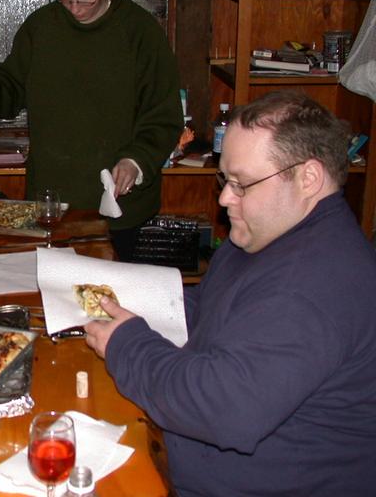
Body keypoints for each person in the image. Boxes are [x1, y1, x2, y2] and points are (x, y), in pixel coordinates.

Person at [84, 90, 376, 495]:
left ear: (308, 178)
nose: (224, 198)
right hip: (173, 455)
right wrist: (135, 304)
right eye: (225, 179)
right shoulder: (266, 237)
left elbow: (222, 410)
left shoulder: (315, 285)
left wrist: (127, 345)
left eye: (242, 184)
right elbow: (210, 308)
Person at [0, 0, 183, 260]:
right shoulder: (42, 26)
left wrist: (136, 161)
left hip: (120, 206)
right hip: (52, 200)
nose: (75, 9)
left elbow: (163, 115)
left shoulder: (140, 33)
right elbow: (13, 82)